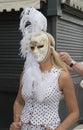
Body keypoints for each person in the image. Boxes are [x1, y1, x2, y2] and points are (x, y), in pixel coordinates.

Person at [9, 7, 79, 130]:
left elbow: (74, 113)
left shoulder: (62, 76)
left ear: (51, 49)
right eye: (32, 47)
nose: (36, 51)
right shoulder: (26, 73)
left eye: (40, 46)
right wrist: (16, 121)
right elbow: (19, 102)